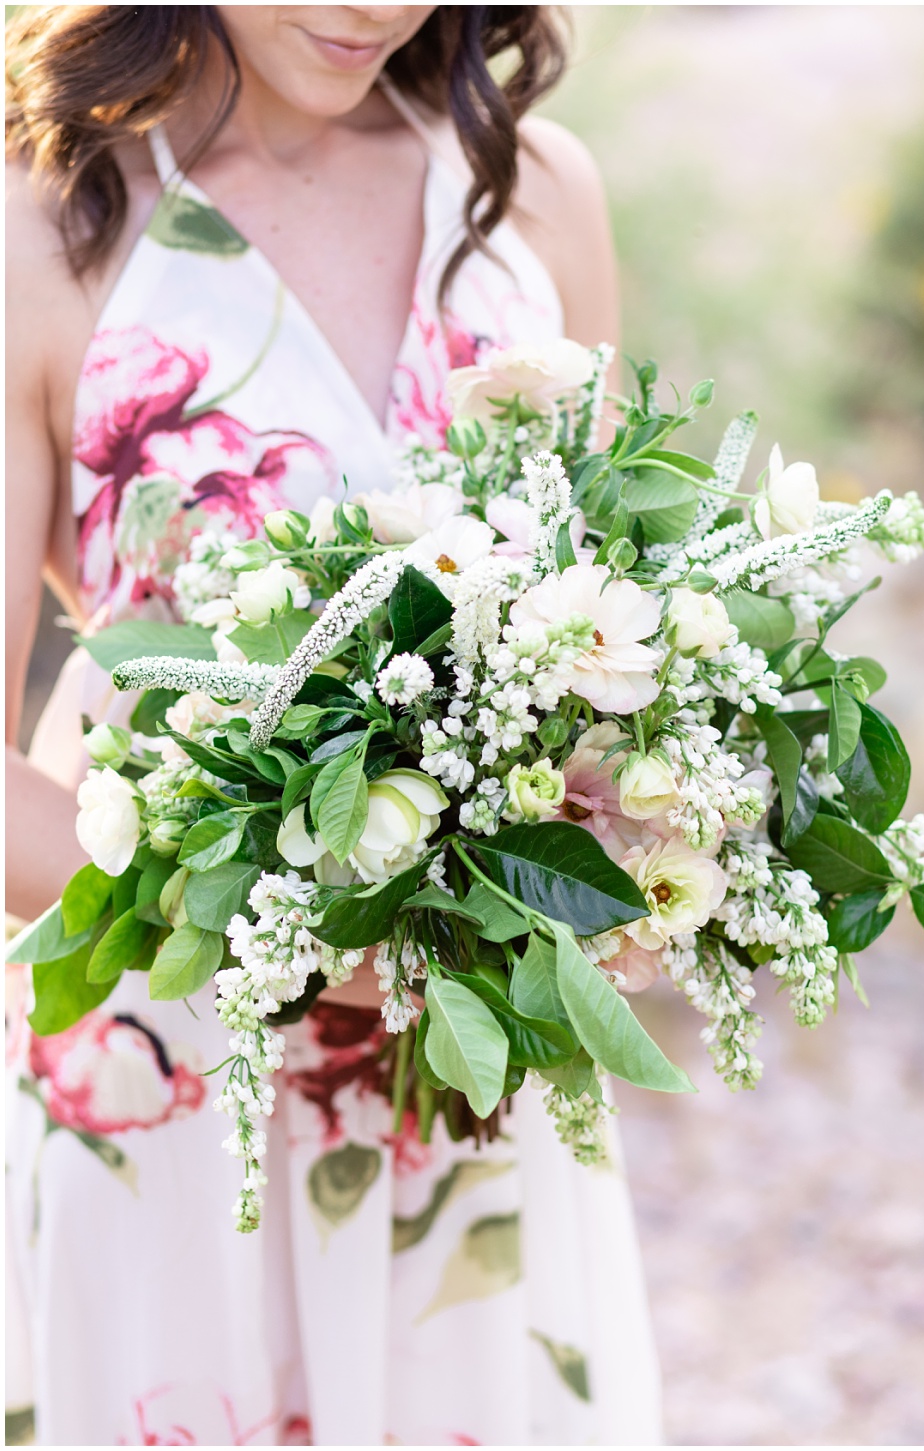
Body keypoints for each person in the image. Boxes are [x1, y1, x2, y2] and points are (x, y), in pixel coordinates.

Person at [4, 7, 658, 1442]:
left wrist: (643, 825)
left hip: (473, 1054)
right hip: (172, 1051)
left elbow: (617, 617)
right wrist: (288, 935)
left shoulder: (536, 193)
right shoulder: (42, 222)